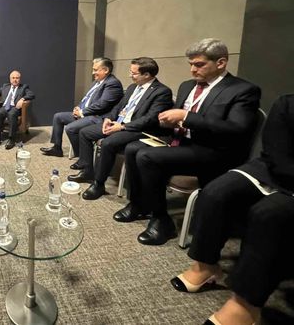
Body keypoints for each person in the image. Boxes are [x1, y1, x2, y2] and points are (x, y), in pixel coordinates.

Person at [113, 39, 261, 246]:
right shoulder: (187, 86)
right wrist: (166, 121)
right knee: (132, 148)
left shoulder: (242, 89)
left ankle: (161, 220)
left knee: (147, 157)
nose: (193, 70)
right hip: (181, 141)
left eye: (199, 64)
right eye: (191, 64)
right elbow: (177, 121)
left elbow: (237, 129)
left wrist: (187, 116)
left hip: (213, 150)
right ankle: (138, 204)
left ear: (221, 63)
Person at [171, 94, 294, 325]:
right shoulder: (288, 103)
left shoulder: (242, 91)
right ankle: (205, 266)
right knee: (215, 193)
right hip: (274, 167)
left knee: (269, 214)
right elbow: (275, 149)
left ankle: (246, 305)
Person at [67, 57, 173, 200]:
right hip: (118, 123)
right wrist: (108, 119)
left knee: (108, 143)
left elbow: (150, 119)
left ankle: (99, 184)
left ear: (147, 75)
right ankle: (88, 171)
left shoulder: (162, 92)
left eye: (134, 73)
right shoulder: (132, 88)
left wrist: (122, 127)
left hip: (137, 129)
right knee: (85, 132)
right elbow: (118, 107)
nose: (130, 75)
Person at [41, 57, 123, 157]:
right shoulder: (96, 82)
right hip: (86, 114)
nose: (93, 73)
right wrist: (78, 108)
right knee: (58, 117)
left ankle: (83, 156)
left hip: (97, 117)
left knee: (70, 128)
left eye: (95, 70)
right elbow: (86, 98)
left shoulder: (113, 83)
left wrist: (82, 112)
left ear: (106, 70)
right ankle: (57, 148)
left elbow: (102, 104)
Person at [0, 70, 35, 150]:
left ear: (19, 79)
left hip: (15, 107)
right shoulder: (5, 86)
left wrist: (22, 99)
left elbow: (31, 94)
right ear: (10, 79)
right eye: (13, 78)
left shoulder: (24, 87)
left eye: (17, 78)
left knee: (11, 114)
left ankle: (11, 139)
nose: (15, 80)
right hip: (5, 107)